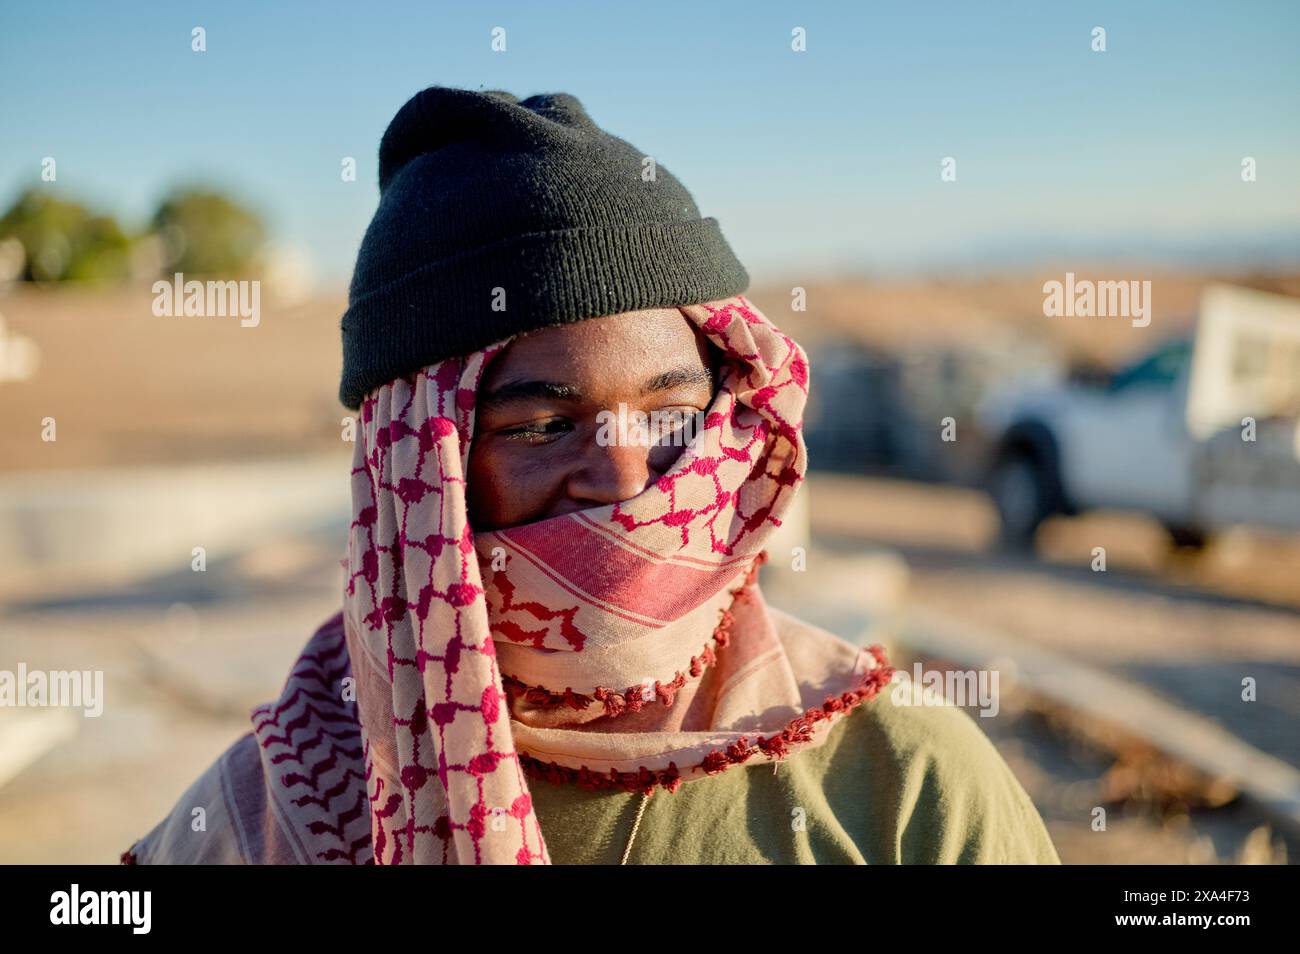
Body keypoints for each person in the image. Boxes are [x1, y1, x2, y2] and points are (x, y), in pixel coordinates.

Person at [122, 86, 1060, 865]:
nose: (621, 478)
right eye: (540, 426)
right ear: (416, 477)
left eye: (668, 415)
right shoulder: (269, 815)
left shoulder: (905, 788)